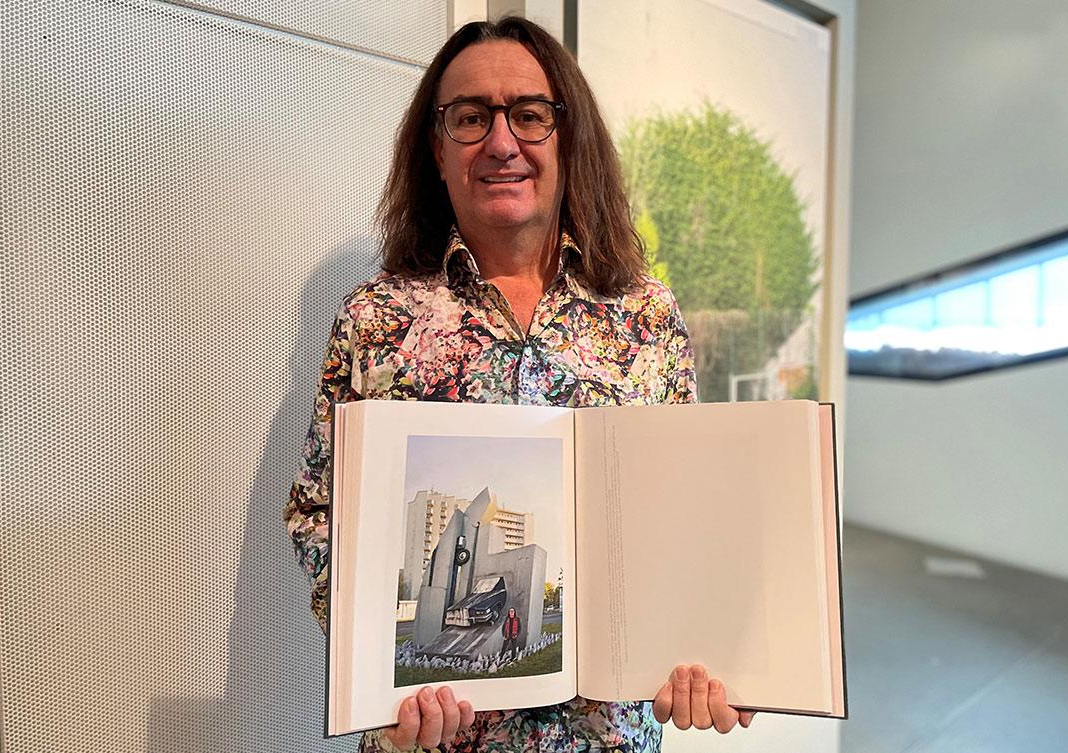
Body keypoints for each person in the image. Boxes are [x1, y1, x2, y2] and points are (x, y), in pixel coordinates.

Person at [285, 16, 754, 753]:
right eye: (470, 118)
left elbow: (683, 517)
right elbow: (318, 515)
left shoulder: (645, 317)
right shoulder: (376, 318)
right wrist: (375, 667)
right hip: (433, 739)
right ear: (436, 151)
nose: (501, 142)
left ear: (569, 139)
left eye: (530, 115)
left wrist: (710, 656)